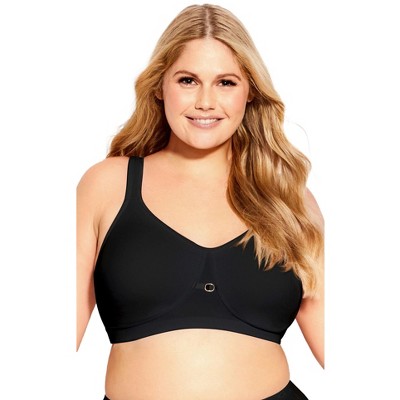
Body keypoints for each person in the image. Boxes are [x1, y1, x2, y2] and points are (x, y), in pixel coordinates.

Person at [76, 4, 324, 400]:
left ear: (249, 92)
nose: (206, 101)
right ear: (160, 86)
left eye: (226, 82)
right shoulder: (107, 186)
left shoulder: (290, 201)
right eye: (188, 80)